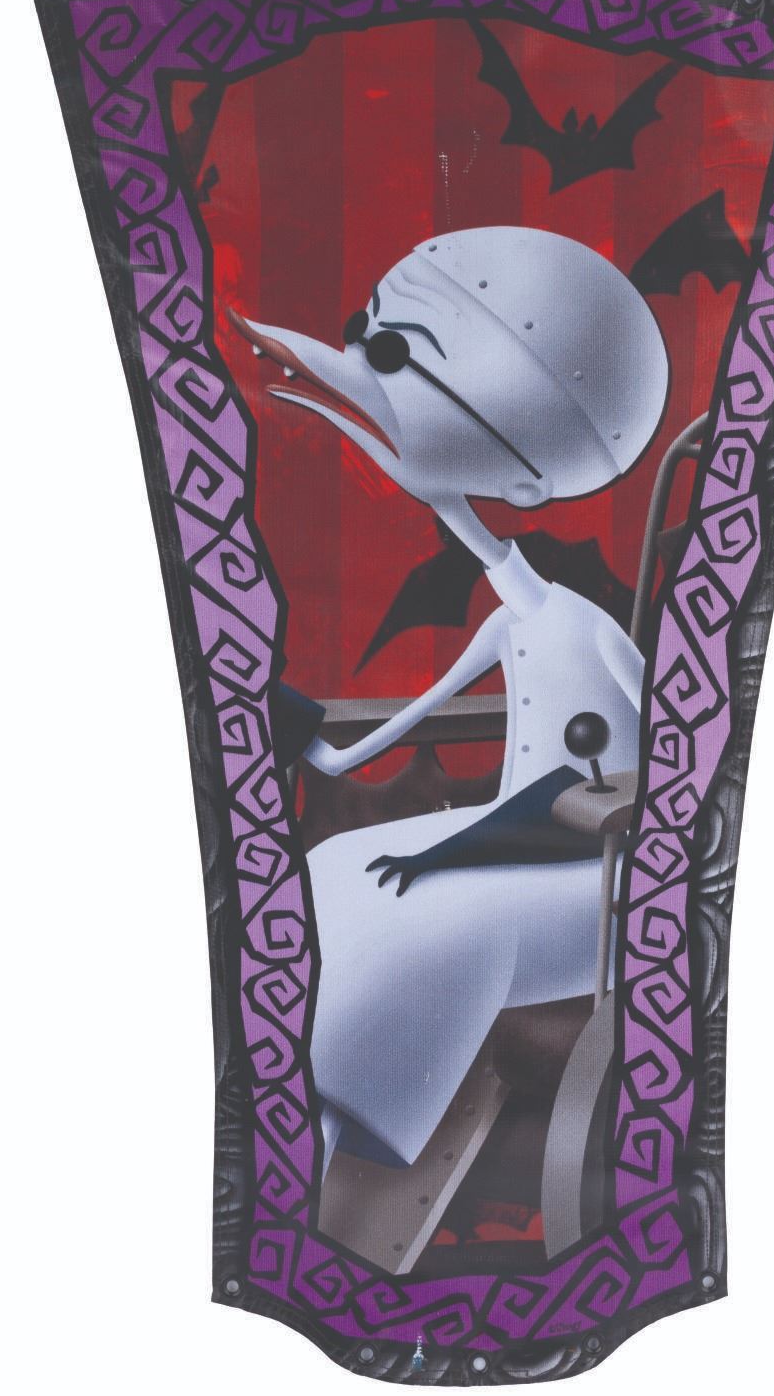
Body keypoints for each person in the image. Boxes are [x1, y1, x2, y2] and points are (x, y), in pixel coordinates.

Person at [234, 225, 668, 1173]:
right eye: (366, 332)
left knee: (420, 924)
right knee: (332, 874)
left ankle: (323, 1165)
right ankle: (291, 1140)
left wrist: (455, 855)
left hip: (603, 872)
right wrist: (295, 731)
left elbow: (674, 771)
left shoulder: (588, 629)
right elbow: (363, 747)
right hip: (512, 842)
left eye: (395, 353)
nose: (358, 362)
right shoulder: (512, 621)